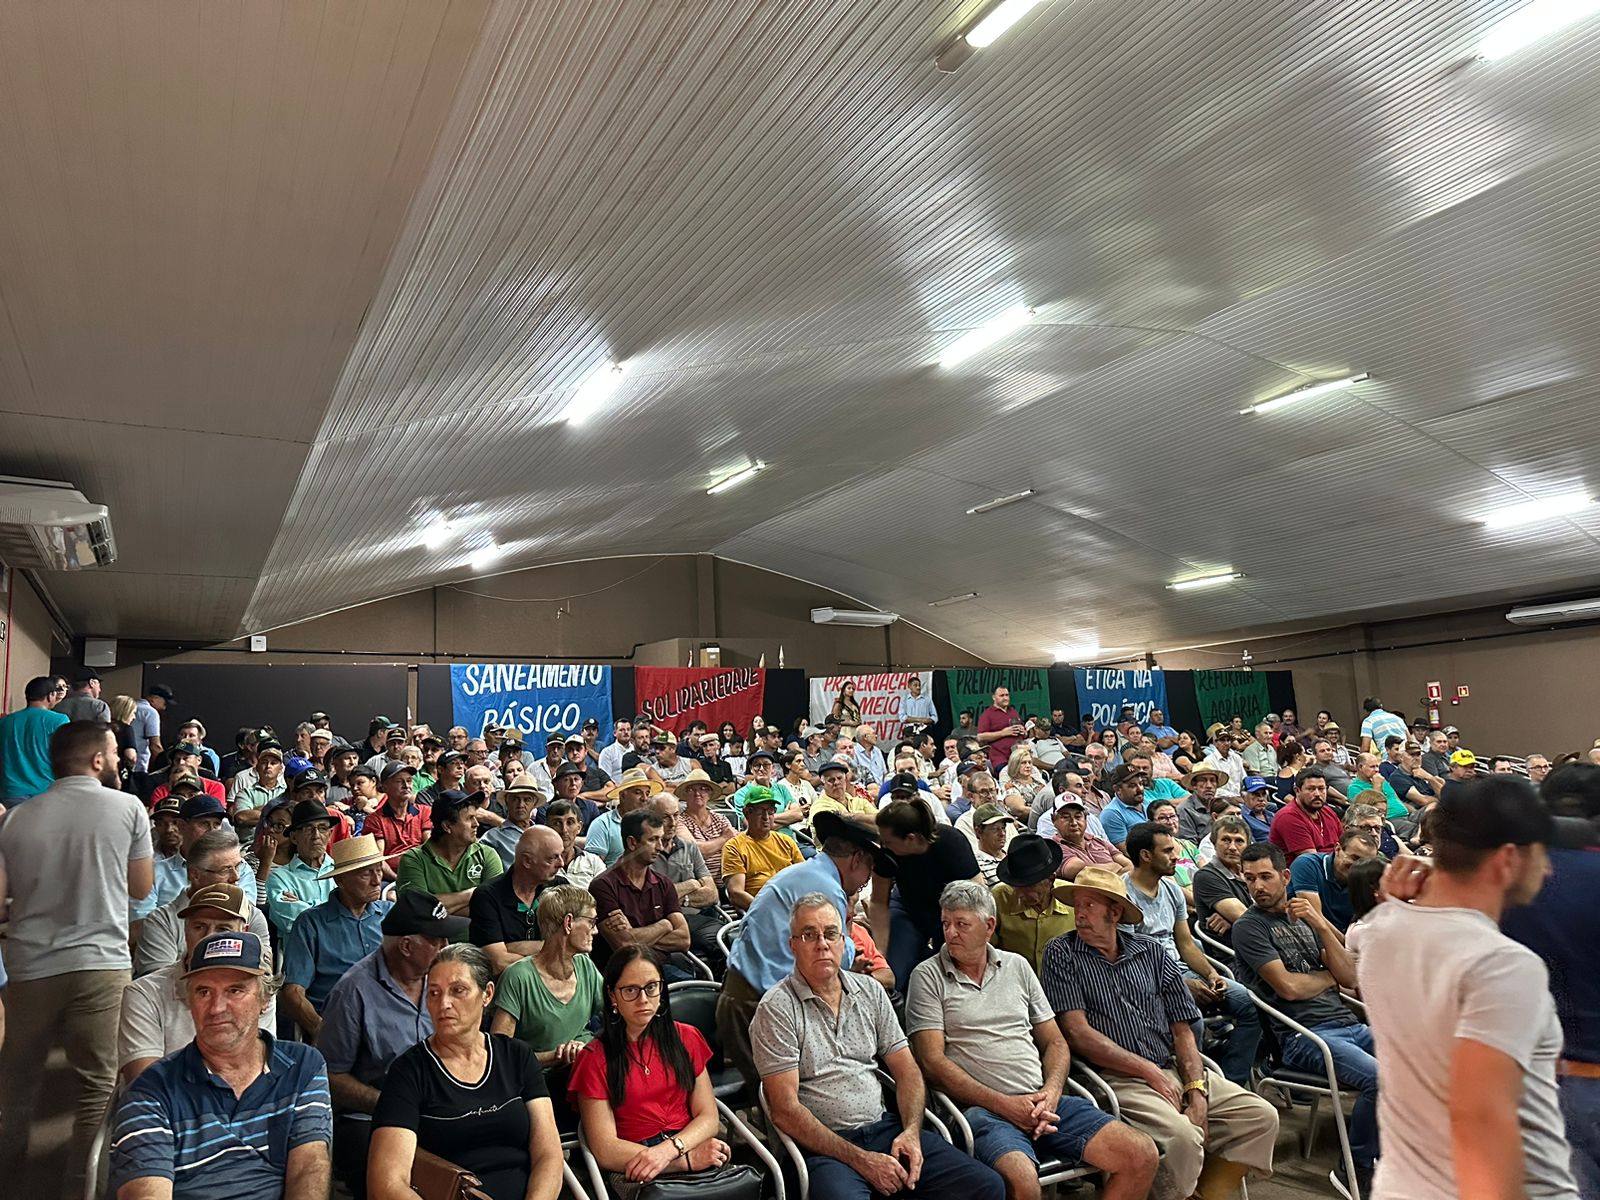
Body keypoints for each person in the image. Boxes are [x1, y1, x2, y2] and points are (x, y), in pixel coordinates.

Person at [1358, 776, 1578, 1200]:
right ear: (1508, 858)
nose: (1548, 867)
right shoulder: (1503, 965)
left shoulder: (1379, 930)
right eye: (1541, 853)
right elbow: (1478, 1119)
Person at [908, 881, 1159, 1200]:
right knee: (1024, 1185)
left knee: (1140, 1154)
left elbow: (1055, 1042)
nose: (951, 933)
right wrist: (1006, 1105)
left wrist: (1051, 1094)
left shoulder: (1017, 966)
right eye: (946, 923)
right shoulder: (927, 976)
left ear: (989, 926)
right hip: (981, 1111)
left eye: (962, 924)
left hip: (1043, 1102)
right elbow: (932, 1063)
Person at [1041, 866, 1279, 1200]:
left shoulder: (1151, 951)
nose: (1079, 913)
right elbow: (1077, 1033)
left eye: (1089, 905)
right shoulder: (1061, 952)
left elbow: (1183, 1028)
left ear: (1115, 913)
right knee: (1183, 1137)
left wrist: (1195, 1090)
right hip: (1116, 1077)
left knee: (1260, 1117)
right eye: (1077, 904)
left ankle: (1203, 1192)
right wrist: (1147, 1071)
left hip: (1170, 1066)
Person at [753, 892, 1007, 1200]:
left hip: (885, 1130)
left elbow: (907, 1071)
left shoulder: (870, 992)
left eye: (830, 933)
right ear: (792, 945)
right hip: (822, 1149)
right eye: (809, 935)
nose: (822, 944)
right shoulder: (777, 1009)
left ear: (844, 939)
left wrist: (911, 1132)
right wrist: (862, 1160)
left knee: (986, 1186)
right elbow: (784, 1110)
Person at [0, 720, 153, 1193]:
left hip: (29, 966)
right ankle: (79, 1186)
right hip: (100, 964)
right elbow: (141, 887)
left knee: (17, 1084)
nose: (119, 759)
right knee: (97, 1084)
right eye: (114, 752)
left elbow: (1, 899)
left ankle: (8, 1181)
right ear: (97, 759)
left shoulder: (16, 818)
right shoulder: (128, 807)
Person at [109, 931, 332, 1200]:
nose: (216, 1008)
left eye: (234, 990)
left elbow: (308, 1168)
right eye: (203, 992)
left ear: (265, 1000)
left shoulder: (302, 1067)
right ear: (190, 1001)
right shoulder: (152, 1091)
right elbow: (147, 1192)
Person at [1234, 843, 1378, 1197]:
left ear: (1285, 877)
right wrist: (1328, 977)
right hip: (1303, 1037)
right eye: (1250, 879)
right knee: (1382, 1080)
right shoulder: (1249, 927)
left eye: (1265, 877)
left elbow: (1349, 976)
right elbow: (1289, 988)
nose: (1258, 887)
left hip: (1348, 1024)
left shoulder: (1305, 919)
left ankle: (1403, 1152)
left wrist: (1321, 924)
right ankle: (1356, 1167)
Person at [368, 943, 564, 1200]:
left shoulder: (516, 1056)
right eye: (434, 993)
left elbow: (549, 1155)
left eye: (458, 990)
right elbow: (387, 1184)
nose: (444, 1003)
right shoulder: (409, 1072)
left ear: (487, 994)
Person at [717, 811, 891, 1087]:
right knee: (787, 1099)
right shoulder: (827, 890)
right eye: (868, 870)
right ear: (856, 859)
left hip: (748, 997)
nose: (865, 880)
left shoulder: (805, 873)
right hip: (756, 1005)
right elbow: (835, 957)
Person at [569, 946, 736, 1191]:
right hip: (632, 1164)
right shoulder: (594, 1058)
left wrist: (672, 1150)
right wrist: (683, 1161)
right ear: (612, 996)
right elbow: (605, 1149)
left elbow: (708, 1117)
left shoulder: (686, 1037)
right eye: (630, 990)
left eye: (651, 987)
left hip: (688, 1142)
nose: (643, 999)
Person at [1121, 822, 1261, 1085]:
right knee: (1191, 1018)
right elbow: (1128, 959)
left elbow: (1185, 944)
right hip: (1145, 978)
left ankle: (1230, 1082)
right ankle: (1190, 1084)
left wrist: (1211, 974)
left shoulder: (1172, 890)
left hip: (1180, 969)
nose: (1176, 856)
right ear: (1146, 855)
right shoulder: (1123, 895)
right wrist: (1181, 984)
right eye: (1167, 851)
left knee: (1250, 1003)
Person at [119, 882, 275, 1083]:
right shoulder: (145, 993)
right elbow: (145, 1084)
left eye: (223, 928)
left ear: (243, 932)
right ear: (185, 931)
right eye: (199, 927)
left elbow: (259, 1070)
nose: (208, 937)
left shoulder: (256, 988)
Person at [281, 834, 394, 1039]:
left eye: (379, 870)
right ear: (340, 880)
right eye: (366, 874)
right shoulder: (311, 923)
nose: (377, 880)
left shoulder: (390, 914)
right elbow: (293, 992)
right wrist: (320, 1030)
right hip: (341, 1025)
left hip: (391, 1019)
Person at [136, 827, 273, 977]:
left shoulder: (252, 915)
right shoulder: (161, 921)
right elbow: (159, 982)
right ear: (195, 875)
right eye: (225, 870)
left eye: (237, 867)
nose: (236, 877)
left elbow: (264, 977)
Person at [878, 796, 984, 990]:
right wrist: (880, 954)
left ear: (910, 839)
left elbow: (977, 897)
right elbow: (878, 902)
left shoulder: (952, 843)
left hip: (952, 911)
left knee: (954, 974)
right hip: (907, 906)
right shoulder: (887, 854)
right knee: (895, 975)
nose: (884, 846)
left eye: (888, 842)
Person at [589, 809, 691, 972]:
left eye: (661, 839)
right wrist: (664, 925)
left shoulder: (664, 883)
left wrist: (635, 936)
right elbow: (624, 945)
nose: (660, 847)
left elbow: (684, 939)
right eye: (652, 840)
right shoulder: (602, 886)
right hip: (625, 973)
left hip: (663, 968)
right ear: (632, 843)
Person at [395, 789, 503, 921]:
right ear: (447, 826)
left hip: (481, 934)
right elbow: (416, 910)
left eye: (475, 817)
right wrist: (474, 893)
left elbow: (497, 907)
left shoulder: (487, 855)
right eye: (469, 818)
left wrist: (437, 908)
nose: (476, 824)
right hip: (431, 935)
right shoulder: (414, 859)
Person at [991, 834, 1077, 974]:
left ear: (1050, 879)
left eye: (1028, 886)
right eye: (1015, 886)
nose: (1019, 894)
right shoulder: (999, 898)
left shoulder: (1072, 898)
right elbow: (988, 949)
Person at [267, 796, 340, 937]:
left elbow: (354, 912)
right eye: (308, 829)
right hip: (303, 949)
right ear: (294, 837)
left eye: (322, 828)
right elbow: (294, 923)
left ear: (330, 834)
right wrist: (336, 909)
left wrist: (304, 905)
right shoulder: (279, 878)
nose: (316, 836)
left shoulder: (342, 871)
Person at [722, 786, 804, 910]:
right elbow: (736, 894)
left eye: (770, 811)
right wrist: (768, 910)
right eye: (760, 811)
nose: (766, 817)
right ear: (747, 813)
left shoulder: (786, 841)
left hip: (794, 904)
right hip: (763, 910)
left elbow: (804, 876)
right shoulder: (734, 847)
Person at [1287, 829, 1381, 934]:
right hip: (1305, 934)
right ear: (1338, 849)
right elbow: (1315, 919)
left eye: (1365, 863)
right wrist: (1346, 942)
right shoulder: (1307, 864)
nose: (1358, 866)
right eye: (1355, 858)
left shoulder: (1368, 878)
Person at [0, 675, 70, 803]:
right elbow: (67, 756)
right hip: (45, 791)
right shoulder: (59, 720)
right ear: (50, 695)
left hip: (10, 792)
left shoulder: (5, 721)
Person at [1192, 814, 1253, 946]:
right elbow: (1247, 919)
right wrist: (1240, 920)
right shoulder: (1206, 876)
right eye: (1226, 840)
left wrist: (1233, 921)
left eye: (1239, 841)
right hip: (1236, 952)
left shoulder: (1252, 874)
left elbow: (1278, 908)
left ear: (1248, 845)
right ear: (1214, 843)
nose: (1232, 847)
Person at [586, 766, 664, 866]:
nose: (644, 798)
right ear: (622, 796)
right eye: (638, 792)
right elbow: (593, 867)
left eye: (647, 793)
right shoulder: (603, 824)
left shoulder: (652, 824)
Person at [1270, 766, 1344, 863]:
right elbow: (1313, 862)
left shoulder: (1328, 812)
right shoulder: (1288, 816)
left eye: (1321, 789)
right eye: (1311, 789)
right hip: (1308, 870)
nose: (1317, 794)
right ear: (1297, 791)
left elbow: (1345, 845)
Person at [1051, 795, 1131, 876]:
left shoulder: (1098, 841)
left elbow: (1129, 865)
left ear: (1085, 819)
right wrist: (1115, 867)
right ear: (1053, 820)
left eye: (1078, 817)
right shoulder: (1054, 848)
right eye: (1066, 817)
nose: (1074, 823)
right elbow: (1076, 870)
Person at [481, 774, 543, 870]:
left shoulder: (542, 834)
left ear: (534, 803)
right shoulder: (491, 837)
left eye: (527, 800)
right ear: (507, 801)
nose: (521, 805)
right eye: (515, 799)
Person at [543, 797, 606, 889]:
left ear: (579, 827)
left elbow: (604, 893)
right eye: (557, 823)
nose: (564, 830)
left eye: (570, 822)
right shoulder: (539, 862)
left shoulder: (593, 862)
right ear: (547, 827)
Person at [978, 685, 1028, 773]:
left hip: (1020, 756)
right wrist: (1003, 733)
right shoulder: (987, 714)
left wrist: (1023, 732)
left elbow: (1025, 734)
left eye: (1007, 695)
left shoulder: (1013, 712)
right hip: (1001, 759)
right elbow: (980, 737)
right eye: (1001, 695)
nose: (1005, 698)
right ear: (994, 697)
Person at [1347, 752, 1409, 822]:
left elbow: (1397, 799)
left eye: (1377, 766)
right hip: (1389, 820)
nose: (1377, 770)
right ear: (1360, 767)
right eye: (1372, 767)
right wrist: (1377, 786)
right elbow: (1370, 813)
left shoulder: (1381, 780)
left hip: (1406, 815)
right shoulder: (1354, 788)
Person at [131, 682, 175, 772]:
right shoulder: (150, 712)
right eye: (165, 703)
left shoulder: (129, 707)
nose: (164, 708)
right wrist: (164, 766)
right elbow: (155, 746)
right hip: (138, 767)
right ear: (154, 699)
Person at [972, 802, 1017, 885]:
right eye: (995, 829)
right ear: (979, 831)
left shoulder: (1014, 856)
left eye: (1003, 828)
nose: (1002, 833)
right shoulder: (976, 866)